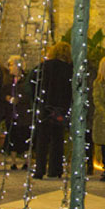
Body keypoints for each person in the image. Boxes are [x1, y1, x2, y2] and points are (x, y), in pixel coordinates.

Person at [29, 42, 72, 179]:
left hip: (46, 106)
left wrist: (37, 98)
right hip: (61, 108)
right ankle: (55, 170)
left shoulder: (45, 66)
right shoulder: (70, 68)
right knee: (57, 140)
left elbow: (32, 80)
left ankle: (39, 170)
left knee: (42, 140)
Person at [2, 55, 32, 169]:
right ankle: (13, 162)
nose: (10, 67)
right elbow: (3, 92)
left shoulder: (25, 80)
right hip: (11, 113)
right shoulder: (8, 80)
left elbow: (29, 94)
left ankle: (26, 161)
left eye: (11, 65)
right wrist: (7, 98)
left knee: (25, 137)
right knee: (12, 137)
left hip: (23, 114)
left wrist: (19, 99)